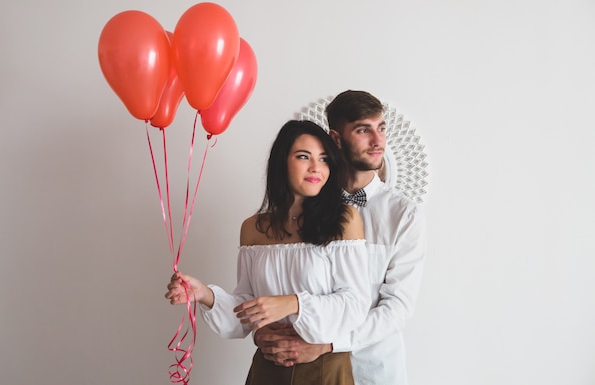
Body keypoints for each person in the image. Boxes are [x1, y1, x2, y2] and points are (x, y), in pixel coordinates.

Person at [165, 119, 371, 385]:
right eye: (303, 156)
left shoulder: (344, 219)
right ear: (281, 162)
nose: (316, 168)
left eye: (323, 159)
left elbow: (355, 303)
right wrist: (204, 294)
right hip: (267, 369)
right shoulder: (253, 228)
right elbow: (247, 310)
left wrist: (293, 303)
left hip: (324, 371)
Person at [254, 90, 428, 385]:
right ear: (336, 138)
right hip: (310, 372)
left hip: (372, 371)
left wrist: (328, 343)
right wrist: (263, 330)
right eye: (363, 129)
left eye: (381, 128)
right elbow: (281, 282)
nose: (378, 141)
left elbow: (397, 306)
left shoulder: (404, 215)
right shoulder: (305, 203)